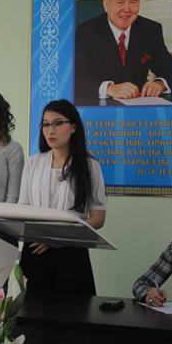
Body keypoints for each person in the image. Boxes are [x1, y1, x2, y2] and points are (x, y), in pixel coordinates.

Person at [18, 99, 106, 297]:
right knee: (33, 311)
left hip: (71, 251)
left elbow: (98, 218)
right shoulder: (33, 163)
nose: (51, 130)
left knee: (72, 311)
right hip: (35, 248)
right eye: (46, 124)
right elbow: (23, 209)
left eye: (58, 123)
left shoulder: (90, 166)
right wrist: (42, 234)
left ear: (73, 127)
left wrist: (58, 237)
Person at [74, 0, 172, 106]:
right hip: (99, 108)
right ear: (106, 4)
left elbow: (170, 69)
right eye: (120, 2)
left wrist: (160, 83)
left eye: (133, 2)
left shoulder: (151, 29)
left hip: (138, 106)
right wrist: (109, 89)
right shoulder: (84, 32)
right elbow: (72, 79)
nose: (127, 9)